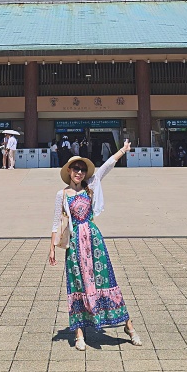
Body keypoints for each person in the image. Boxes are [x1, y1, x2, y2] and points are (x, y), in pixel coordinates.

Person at [48, 141, 142, 352]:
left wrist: (122, 151)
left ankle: (128, 326)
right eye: (76, 169)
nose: (79, 173)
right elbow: (56, 221)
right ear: (69, 171)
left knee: (106, 280)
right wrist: (52, 247)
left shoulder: (90, 187)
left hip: (94, 240)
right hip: (74, 244)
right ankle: (79, 333)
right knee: (78, 285)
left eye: (82, 169)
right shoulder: (61, 195)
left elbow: (107, 166)